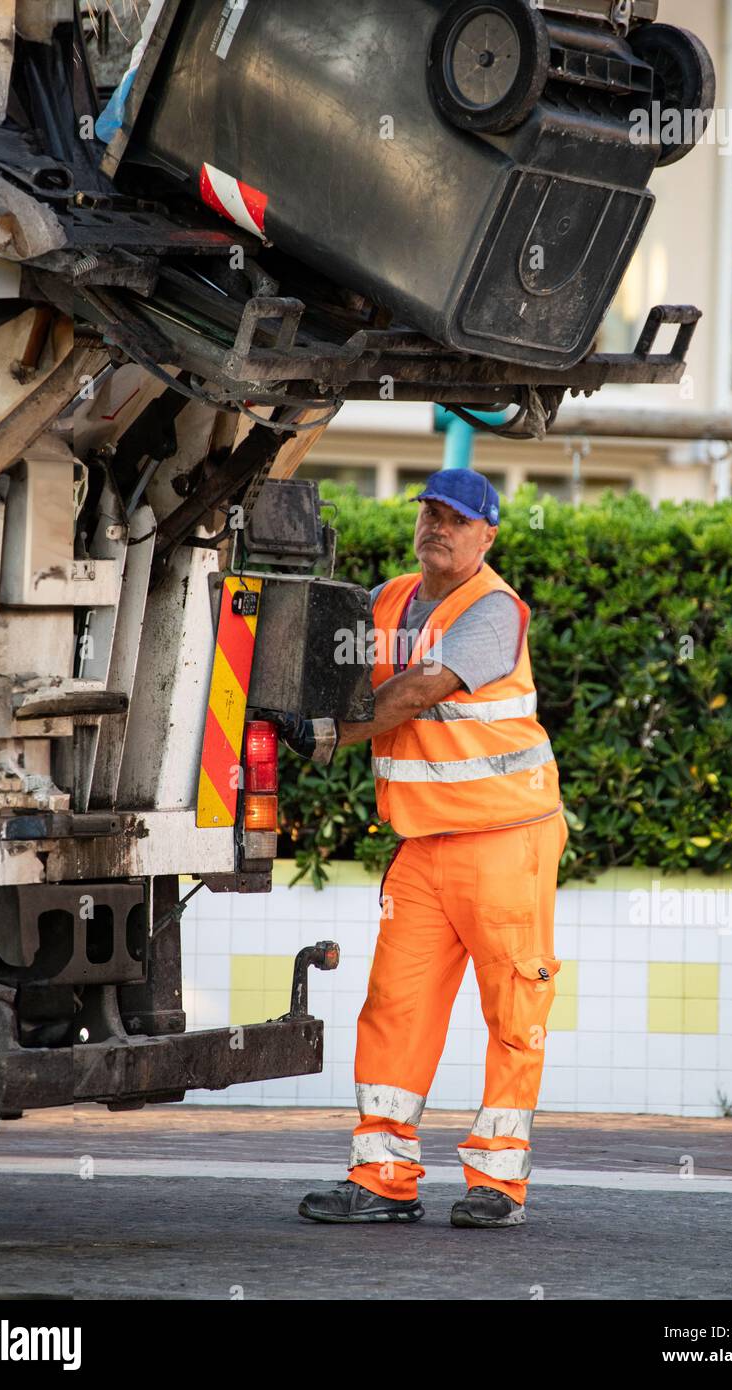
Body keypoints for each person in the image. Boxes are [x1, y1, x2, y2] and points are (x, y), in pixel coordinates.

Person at [283, 469, 567, 1229]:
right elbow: (344, 678)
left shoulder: (493, 610)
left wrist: (328, 736)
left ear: (487, 534)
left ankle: (495, 1183)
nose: (437, 526)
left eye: (456, 518)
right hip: (424, 848)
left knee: (513, 1009)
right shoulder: (388, 600)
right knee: (393, 1010)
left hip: (507, 842)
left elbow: (413, 692)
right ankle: (381, 1178)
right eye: (429, 513)